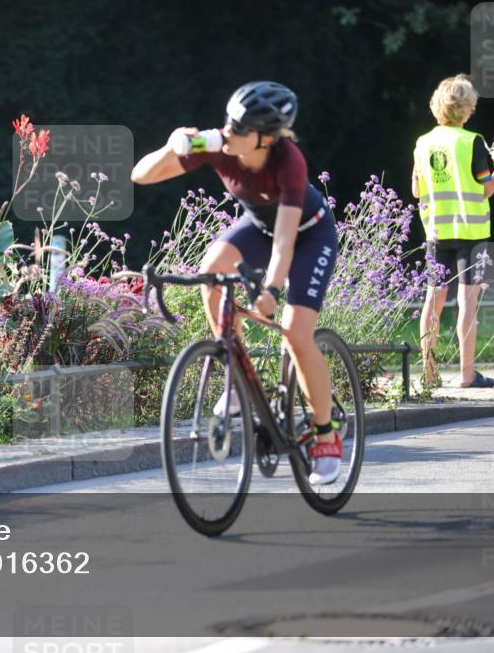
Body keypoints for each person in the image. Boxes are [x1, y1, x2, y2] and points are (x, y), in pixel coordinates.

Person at [131, 81, 342, 485]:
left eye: (240, 128)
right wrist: (173, 144)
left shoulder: (288, 161)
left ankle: (325, 435)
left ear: (266, 138)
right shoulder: (216, 144)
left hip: (308, 235)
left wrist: (271, 291)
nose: (229, 131)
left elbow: (285, 241)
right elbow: (139, 175)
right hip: (259, 227)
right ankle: (238, 376)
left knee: (296, 335)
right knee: (212, 270)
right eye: (229, 121)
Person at [413, 74, 494, 389]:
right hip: (472, 233)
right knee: (467, 303)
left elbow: (415, 188)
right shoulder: (472, 142)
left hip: (436, 232)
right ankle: (467, 374)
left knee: (432, 301)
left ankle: (428, 374)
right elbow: (485, 189)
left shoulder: (423, 143)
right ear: (466, 110)